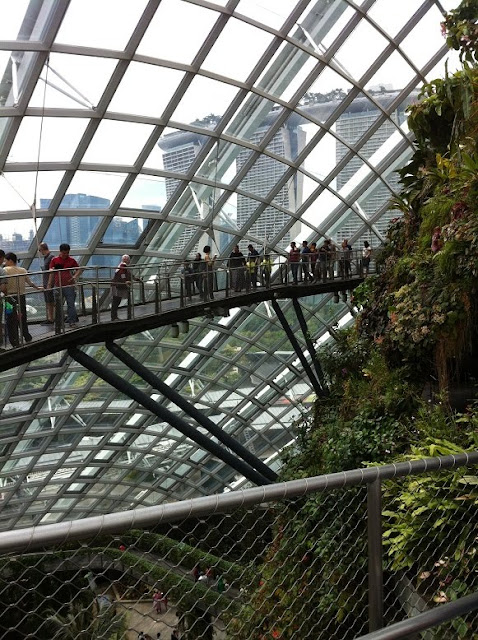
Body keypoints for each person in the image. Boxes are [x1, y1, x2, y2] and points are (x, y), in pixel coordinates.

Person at [2, 252, 42, 347]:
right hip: (21, 296)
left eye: (5, 260)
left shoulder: (5, 270)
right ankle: (26, 335)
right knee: (22, 317)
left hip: (9, 298)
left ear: (10, 260)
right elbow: (30, 282)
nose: (4, 262)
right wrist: (38, 288)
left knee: (10, 318)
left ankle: (14, 339)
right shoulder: (23, 270)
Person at [48, 243, 82, 328]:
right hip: (58, 285)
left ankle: (71, 321)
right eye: (64, 253)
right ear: (60, 252)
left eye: (67, 253)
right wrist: (49, 284)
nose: (65, 255)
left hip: (69, 285)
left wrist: (74, 277)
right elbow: (51, 271)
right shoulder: (54, 260)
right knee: (58, 304)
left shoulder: (71, 260)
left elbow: (79, 269)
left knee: (70, 304)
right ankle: (60, 322)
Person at [111, 255, 138, 320]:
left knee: (116, 301)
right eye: (128, 259)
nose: (129, 261)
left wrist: (135, 279)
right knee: (116, 301)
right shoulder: (123, 266)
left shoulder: (122, 265)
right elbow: (122, 274)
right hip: (118, 286)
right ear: (127, 260)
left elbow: (128, 274)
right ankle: (114, 317)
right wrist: (125, 281)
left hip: (117, 285)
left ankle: (114, 316)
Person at [39, 242, 55, 324]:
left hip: (49, 283)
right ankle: (50, 317)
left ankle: (51, 318)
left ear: (42, 249)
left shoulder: (50, 257)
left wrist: (49, 284)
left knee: (50, 301)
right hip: (46, 283)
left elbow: (52, 271)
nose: (39, 252)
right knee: (48, 301)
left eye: (39, 250)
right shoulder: (46, 258)